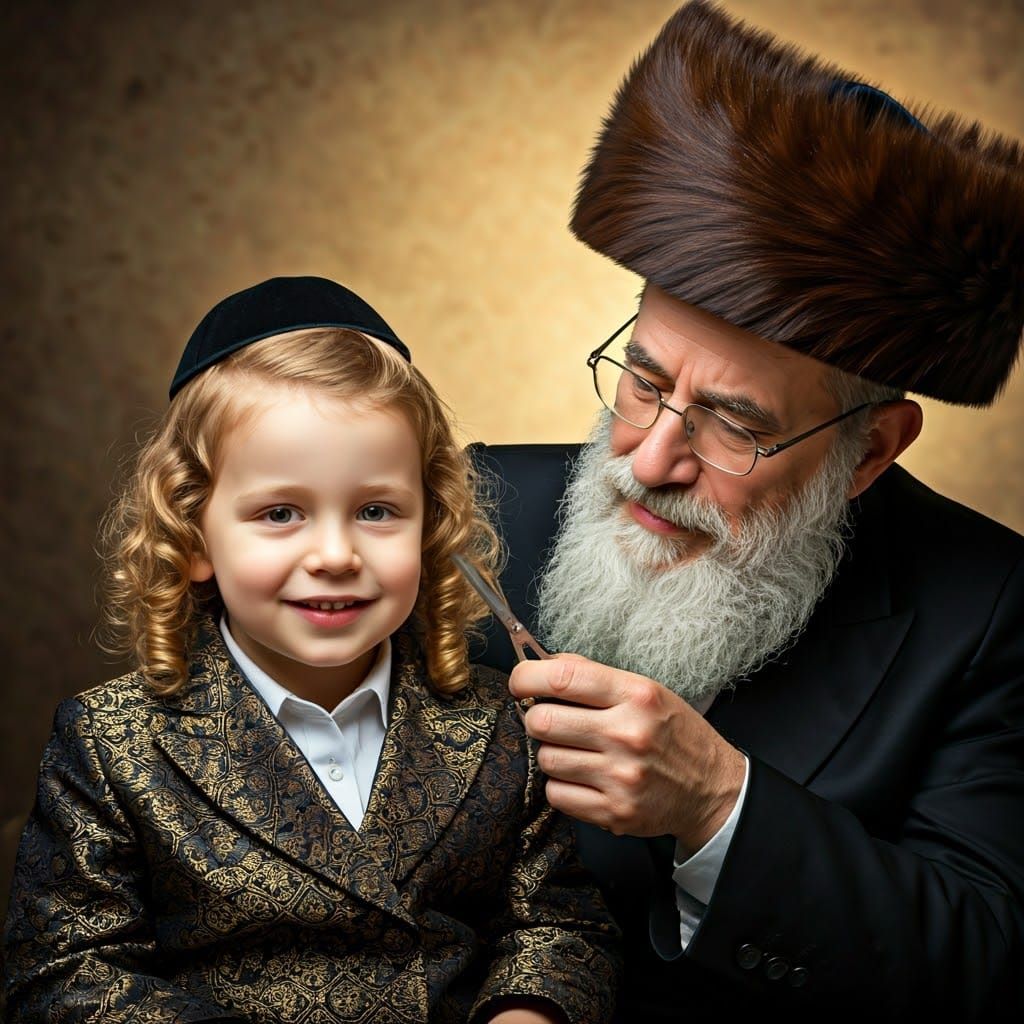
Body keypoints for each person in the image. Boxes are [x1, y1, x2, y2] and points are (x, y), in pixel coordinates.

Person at [469, 3, 1024, 1021]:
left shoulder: (991, 611)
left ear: (872, 449)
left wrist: (720, 806)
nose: (649, 457)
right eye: (641, 379)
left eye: (732, 424)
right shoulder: (477, 508)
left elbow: (980, 964)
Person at [1, 276, 620, 1024]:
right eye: (281, 512)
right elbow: (66, 975)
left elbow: (559, 925)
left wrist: (530, 1012)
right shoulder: (109, 745)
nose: (334, 554)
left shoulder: (499, 725)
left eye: (376, 510)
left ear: (430, 530)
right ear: (194, 536)